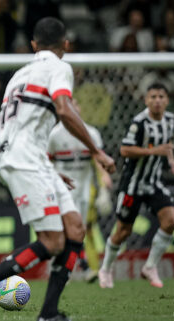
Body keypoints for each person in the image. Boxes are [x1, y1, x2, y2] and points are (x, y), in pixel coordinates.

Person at [0, 17, 115, 321]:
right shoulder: (59, 67)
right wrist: (97, 151)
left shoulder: (20, 74)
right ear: (65, 45)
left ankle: (49, 314)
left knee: (75, 230)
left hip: (28, 157)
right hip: (23, 159)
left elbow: (25, 124)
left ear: (33, 45)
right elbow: (64, 109)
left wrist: (48, 168)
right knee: (53, 241)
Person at [99, 83, 174, 289]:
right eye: (153, 96)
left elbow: (167, 143)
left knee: (170, 221)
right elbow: (125, 150)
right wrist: (153, 152)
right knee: (123, 231)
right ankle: (106, 269)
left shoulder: (170, 119)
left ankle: (150, 267)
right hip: (132, 185)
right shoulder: (139, 123)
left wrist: (170, 159)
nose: (157, 100)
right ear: (146, 100)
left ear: (167, 100)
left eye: (161, 96)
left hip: (153, 183)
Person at [48, 99, 113, 283]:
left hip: (85, 188)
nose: (72, 107)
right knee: (66, 228)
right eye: (68, 104)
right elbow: (48, 162)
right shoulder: (54, 135)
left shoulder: (91, 133)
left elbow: (97, 158)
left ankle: (74, 268)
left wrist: (103, 185)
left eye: (75, 104)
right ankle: (75, 267)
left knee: (81, 229)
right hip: (63, 189)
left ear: (80, 107)